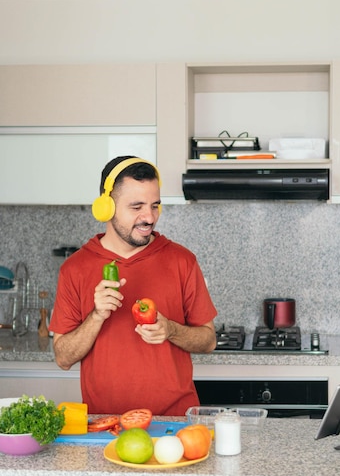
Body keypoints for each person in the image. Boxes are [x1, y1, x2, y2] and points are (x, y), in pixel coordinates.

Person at [49, 156, 217, 415]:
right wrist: (97, 316)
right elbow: (63, 357)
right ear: (107, 207)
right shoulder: (75, 268)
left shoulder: (182, 260)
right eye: (136, 206)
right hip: (105, 426)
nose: (149, 217)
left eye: (155, 206)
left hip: (174, 423)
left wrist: (170, 330)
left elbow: (208, 340)